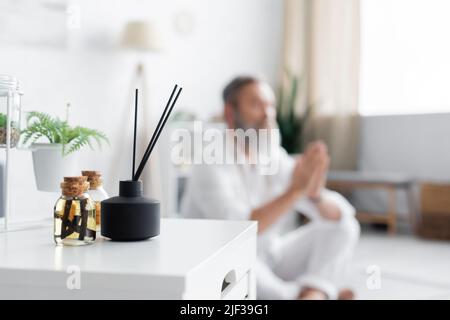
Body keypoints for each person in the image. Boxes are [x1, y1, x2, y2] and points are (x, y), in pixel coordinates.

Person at [181, 76, 360, 300]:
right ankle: (317, 291)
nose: (267, 114)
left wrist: (313, 194)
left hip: (270, 255)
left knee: (345, 227)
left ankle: (315, 292)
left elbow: (336, 217)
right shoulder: (210, 159)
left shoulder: (272, 155)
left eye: (270, 105)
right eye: (256, 105)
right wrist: (295, 190)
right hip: (227, 256)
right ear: (230, 112)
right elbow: (239, 232)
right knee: (236, 268)